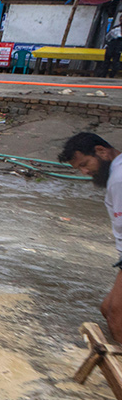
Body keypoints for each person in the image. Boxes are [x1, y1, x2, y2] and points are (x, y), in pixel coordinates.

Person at [59, 131, 122, 340]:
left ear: (101, 151)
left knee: (116, 314)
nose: (85, 172)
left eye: (85, 164)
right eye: (79, 169)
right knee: (107, 308)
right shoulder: (117, 174)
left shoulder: (119, 180)